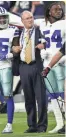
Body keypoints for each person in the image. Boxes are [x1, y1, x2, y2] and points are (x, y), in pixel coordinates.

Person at [12, 10, 47, 133]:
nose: (30, 20)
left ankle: (42, 126)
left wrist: (44, 45)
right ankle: (32, 125)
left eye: (31, 17)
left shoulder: (40, 30)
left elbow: (48, 42)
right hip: (24, 66)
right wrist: (14, 49)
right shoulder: (20, 33)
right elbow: (14, 48)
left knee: (41, 97)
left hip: (37, 65)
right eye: (27, 18)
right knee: (28, 98)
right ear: (22, 21)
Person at [39, 2, 65, 134]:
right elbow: (42, 42)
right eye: (56, 9)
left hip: (61, 63)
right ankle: (59, 123)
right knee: (53, 95)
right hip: (47, 63)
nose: (59, 11)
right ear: (49, 11)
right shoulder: (43, 25)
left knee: (62, 94)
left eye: (60, 9)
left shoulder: (64, 23)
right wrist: (41, 51)